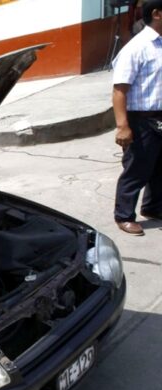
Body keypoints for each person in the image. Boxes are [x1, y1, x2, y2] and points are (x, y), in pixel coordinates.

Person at [112, 0, 162, 236]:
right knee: (137, 168)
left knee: (159, 167)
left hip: (159, 116)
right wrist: (123, 126)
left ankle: (153, 207)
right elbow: (119, 90)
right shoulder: (137, 47)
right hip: (139, 119)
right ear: (157, 13)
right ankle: (123, 215)